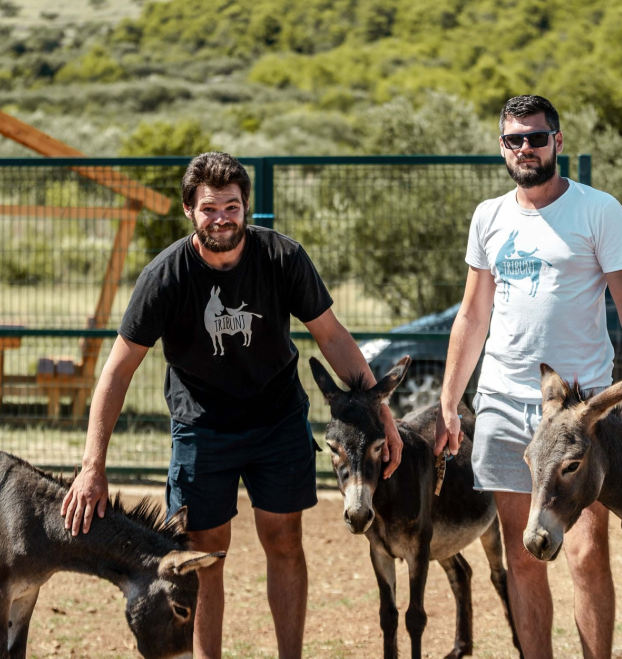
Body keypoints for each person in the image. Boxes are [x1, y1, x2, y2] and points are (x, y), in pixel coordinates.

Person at [61, 152, 403, 659]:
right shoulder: (165, 276)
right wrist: (93, 465)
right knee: (205, 556)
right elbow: (117, 370)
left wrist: (381, 415)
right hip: (202, 427)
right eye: (208, 208)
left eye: (231, 205)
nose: (221, 217)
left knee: (285, 541)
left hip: (277, 419)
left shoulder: (282, 257)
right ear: (189, 212)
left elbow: (332, 337)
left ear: (246, 207)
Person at [435, 95, 622, 659]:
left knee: (587, 553)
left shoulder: (597, 210)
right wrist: (449, 399)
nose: (525, 149)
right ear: (502, 147)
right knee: (522, 553)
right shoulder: (489, 216)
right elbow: (471, 315)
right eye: (514, 139)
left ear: (557, 142)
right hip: (504, 402)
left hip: (578, 413)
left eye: (536, 137)